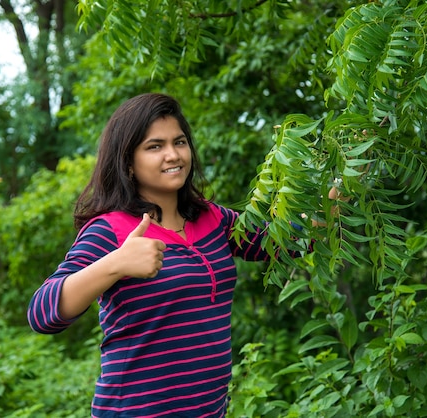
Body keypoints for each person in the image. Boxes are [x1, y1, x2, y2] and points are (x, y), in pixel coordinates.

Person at [28, 92, 325, 417]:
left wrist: (336, 200)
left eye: (179, 142)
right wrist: (115, 264)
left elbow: (282, 241)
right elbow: (42, 314)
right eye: (154, 146)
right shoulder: (111, 230)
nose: (173, 155)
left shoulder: (212, 218)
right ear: (128, 161)